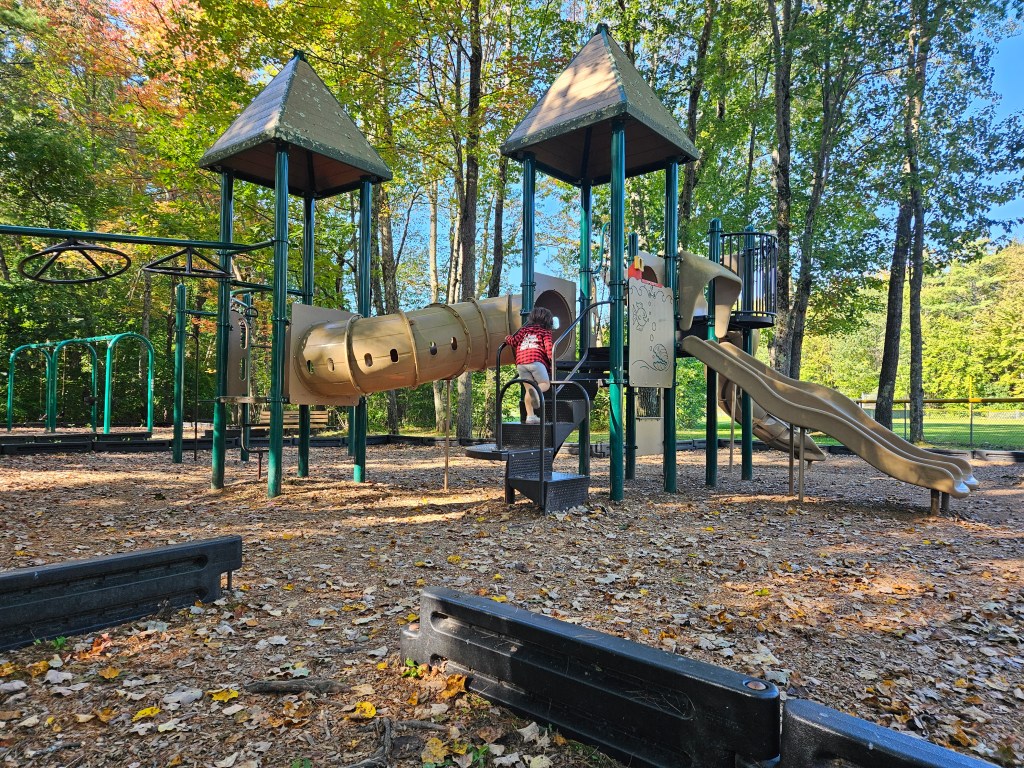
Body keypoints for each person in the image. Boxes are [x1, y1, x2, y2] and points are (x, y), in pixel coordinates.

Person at [505, 307, 554, 424]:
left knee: (529, 389)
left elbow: (514, 341)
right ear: (548, 320)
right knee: (545, 384)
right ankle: (536, 392)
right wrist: (552, 363)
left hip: (521, 363)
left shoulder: (524, 330)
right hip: (535, 361)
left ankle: (530, 416)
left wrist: (507, 338)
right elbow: (549, 349)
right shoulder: (545, 332)